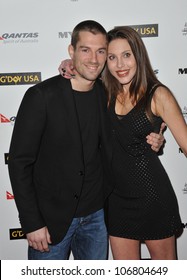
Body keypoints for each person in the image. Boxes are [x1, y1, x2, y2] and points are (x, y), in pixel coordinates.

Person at [8, 20, 164, 260]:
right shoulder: (41, 96)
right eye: (85, 50)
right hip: (51, 223)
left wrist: (155, 133)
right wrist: (31, 222)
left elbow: (132, 123)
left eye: (101, 51)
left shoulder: (108, 94)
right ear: (71, 52)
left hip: (97, 218)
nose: (94, 58)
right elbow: (19, 162)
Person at [58, 26, 187, 260]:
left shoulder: (158, 95)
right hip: (115, 202)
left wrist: (159, 141)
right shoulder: (102, 91)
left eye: (126, 55)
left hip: (153, 197)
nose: (120, 65)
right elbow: (81, 71)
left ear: (138, 55)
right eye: (112, 57)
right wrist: (70, 62)